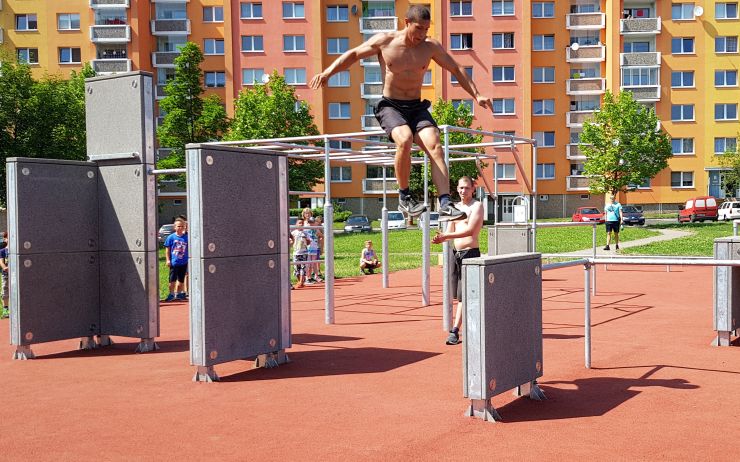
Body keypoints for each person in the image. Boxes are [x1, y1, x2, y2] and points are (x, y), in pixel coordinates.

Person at [309, 5, 492, 222]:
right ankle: (405, 196)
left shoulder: (430, 46)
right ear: (406, 23)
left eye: (426, 29)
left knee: (435, 145)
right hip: (391, 106)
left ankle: (445, 203)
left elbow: (456, 68)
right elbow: (353, 54)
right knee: (404, 139)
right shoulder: (385, 41)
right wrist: (328, 72)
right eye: (418, 29)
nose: (422, 35)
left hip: (416, 107)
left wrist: (476, 94)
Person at [431, 176, 484, 345]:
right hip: (456, 254)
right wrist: (441, 238)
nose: (463, 191)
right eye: (461, 188)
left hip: (470, 253)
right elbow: (449, 229)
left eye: (466, 188)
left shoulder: (477, 206)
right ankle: (470, 327)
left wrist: (446, 235)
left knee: (464, 296)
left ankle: (454, 331)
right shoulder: (454, 208)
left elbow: (470, 231)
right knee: (460, 295)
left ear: (473, 189)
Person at [163, 218, 188, 302]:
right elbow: (167, 250)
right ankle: (171, 294)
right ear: (175, 227)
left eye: (182, 226)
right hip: (174, 262)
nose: (180, 228)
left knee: (181, 279)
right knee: (172, 279)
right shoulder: (171, 237)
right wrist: (168, 260)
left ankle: (179, 293)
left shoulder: (187, 237)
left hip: (184, 262)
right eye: (178, 226)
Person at [290, 219, 312, 288]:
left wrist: (307, 240)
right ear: (296, 225)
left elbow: (309, 242)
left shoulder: (305, 233)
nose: (301, 224)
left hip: (304, 252)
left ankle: (301, 282)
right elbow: (291, 241)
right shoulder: (293, 233)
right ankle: (300, 281)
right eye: (299, 223)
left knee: (303, 267)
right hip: (296, 253)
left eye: (302, 223)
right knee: (296, 268)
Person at [0, 231, 9, 319]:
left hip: (16, 274)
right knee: (5, 291)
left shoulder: (16, 250)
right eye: (8, 237)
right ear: (5, 239)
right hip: (6, 274)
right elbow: (1, 262)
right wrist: (5, 267)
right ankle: (6, 309)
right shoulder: (3, 251)